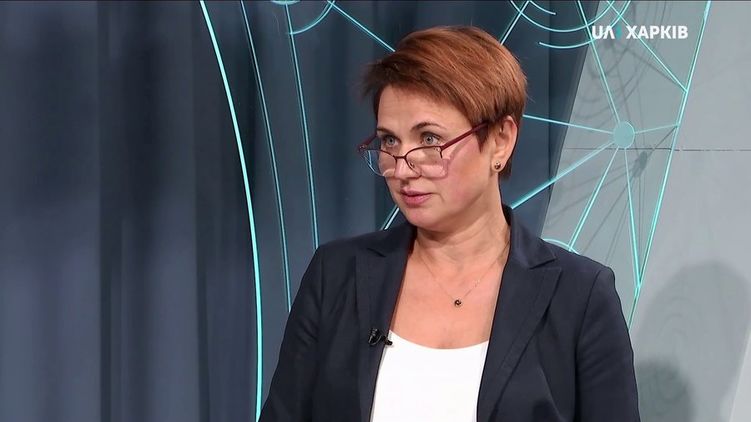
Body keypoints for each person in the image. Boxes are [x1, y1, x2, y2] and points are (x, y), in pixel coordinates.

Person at [259, 25, 639, 422]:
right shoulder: (336, 275)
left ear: (500, 140)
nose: (402, 168)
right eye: (389, 141)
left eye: (428, 139)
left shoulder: (580, 296)